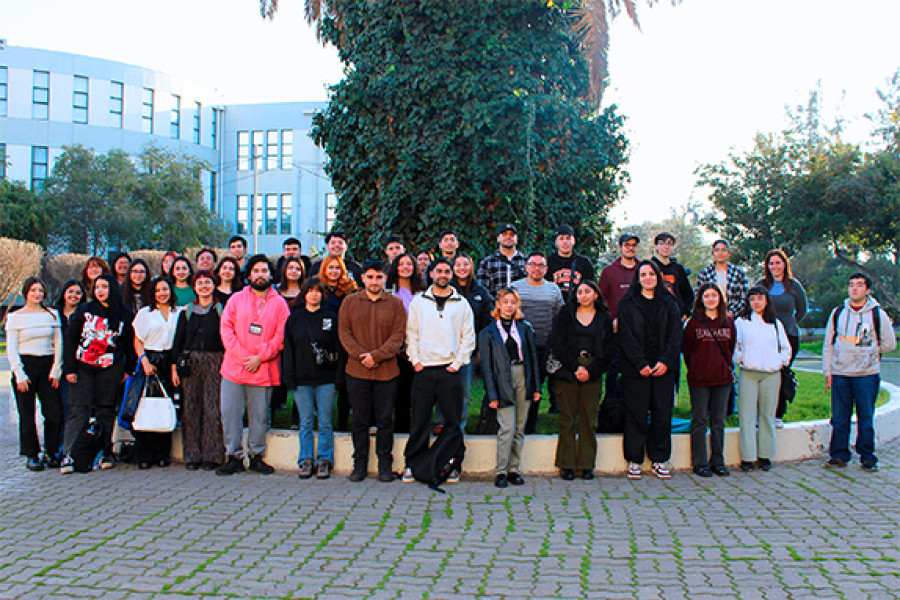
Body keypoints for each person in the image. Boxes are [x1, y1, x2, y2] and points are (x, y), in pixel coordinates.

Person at [402, 258, 476, 483]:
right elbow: (411, 334)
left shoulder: (461, 303)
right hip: (424, 369)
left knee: (453, 422)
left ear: (451, 275)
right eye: (439, 271)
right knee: (420, 422)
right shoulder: (419, 302)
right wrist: (415, 361)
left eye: (447, 271)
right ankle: (413, 465)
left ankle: (452, 464)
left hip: (449, 371)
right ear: (431, 274)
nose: (443, 274)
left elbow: (468, 337)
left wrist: (457, 364)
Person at [216, 255, 290, 476]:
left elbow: (281, 336)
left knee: (259, 417)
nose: (260, 275)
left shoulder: (280, 303)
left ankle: (256, 456)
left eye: (264, 271)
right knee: (230, 414)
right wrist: (244, 356)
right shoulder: (236, 299)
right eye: (256, 271)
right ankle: (234, 456)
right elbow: (226, 330)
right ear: (249, 275)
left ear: (270, 275)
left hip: (263, 369)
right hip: (234, 369)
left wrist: (260, 356)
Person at [338, 260, 407, 482]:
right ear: (363, 278)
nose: (374, 281)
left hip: (387, 372)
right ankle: (359, 464)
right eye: (370, 277)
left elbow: (398, 335)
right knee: (360, 420)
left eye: (378, 277)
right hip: (357, 371)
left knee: (385, 420)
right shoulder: (349, 302)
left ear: (385, 278)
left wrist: (376, 356)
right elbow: (344, 334)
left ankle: (385, 464)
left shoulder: (396, 304)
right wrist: (362, 356)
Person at [61, 274, 135, 473]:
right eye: (97, 287)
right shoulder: (84, 310)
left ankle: (105, 452)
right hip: (83, 367)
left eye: (104, 287)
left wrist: (128, 370)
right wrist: (69, 368)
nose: (100, 291)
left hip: (110, 368)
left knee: (105, 410)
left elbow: (129, 344)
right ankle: (69, 454)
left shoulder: (124, 314)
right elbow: (71, 339)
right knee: (78, 410)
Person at [823, 273, 896, 472]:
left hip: (866, 376)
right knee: (839, 418)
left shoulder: (877, 314)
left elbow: (889, 344)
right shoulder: (838, 313)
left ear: (867, 290)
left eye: (859, 285)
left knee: (865, 419)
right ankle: (839, 455)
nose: (854, 288)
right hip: (841, 374)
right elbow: (828, 344)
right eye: (851, 285)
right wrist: (828, 371)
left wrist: (870, 351)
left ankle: (867, 457)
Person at [617, 260, 682, 480]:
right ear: (638, 279)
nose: (648, 278)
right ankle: (634, 460)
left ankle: (660, 459)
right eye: (643, 275)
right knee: (636, 413)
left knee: (662, 414)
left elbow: (675, 335)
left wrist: (665, 361)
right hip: (636, 369)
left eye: (651, 274)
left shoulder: (669, 302)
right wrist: (640, 363)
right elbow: (625, 336)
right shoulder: (627, 303)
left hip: (664, 368)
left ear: (658, 277)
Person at [548, 280, 613, 480]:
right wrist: (575, 367)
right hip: (569, 369)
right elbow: (557, 344)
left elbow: (609, 350)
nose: (583, 295)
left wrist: (591, 371)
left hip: (593, 369)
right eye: (579, 292)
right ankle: (566, 464)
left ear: (596, 294)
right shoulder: (565, 315)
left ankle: (586, 464)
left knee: (589, 418)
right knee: (567, 418)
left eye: (587, 291)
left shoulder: (604, 318)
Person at [480, 288, 541, 488]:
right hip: (502, 379)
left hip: (522, 375)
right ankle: (501, 471)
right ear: (498, 304)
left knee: (520, 426)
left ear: (517, 305)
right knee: (507, 426)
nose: (509, 306)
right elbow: (487, 367)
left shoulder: (525, 328)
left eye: (512, 302)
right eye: (505, 302)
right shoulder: (488, 333)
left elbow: (533, 358)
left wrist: (536, 387)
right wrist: (492, 394)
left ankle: (514, 469)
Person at [282, 279, 341, 480]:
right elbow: (288, 350)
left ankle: (324, 460)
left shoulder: (330, 317)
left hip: (326, 379)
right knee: (306, 421)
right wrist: (289, 378)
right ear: (304, 294)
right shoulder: (294, 319)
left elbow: (338, 348)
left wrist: (338, 378)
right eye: (310, 291)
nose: (314, 294)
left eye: (318, 291)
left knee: (325, 421)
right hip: (301, 380)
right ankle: (306, 460)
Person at [5, 277, 64, 470]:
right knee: (27, 414)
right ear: (26, 293)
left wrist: (56, 369)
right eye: (33, 290)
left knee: (54, 412)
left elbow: (58, 343)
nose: (37, 294)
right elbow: (11, 348)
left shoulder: (52, 315)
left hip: (48, 365)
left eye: (40, 290)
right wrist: (19, 373)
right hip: (26, 365)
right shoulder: (15, 317)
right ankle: (32, 454)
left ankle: (51, 451)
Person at [171, 270, 226, 471]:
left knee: (213, 408)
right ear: (194, 287)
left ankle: (213, 454)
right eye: (200, 283)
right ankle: (192, 455)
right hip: (190, 362)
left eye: (207, 282)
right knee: (191, 407)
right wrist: (174, 367)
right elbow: (178, 340)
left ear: (214, 285)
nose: (204, 286)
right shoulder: (187, 311)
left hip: (215, 360)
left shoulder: (220, 309)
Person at [733, 286, 792, 472]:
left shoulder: (775, 323)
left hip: (771, 374)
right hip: (749, 373)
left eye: (760, 298)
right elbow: (735, 346)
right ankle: (748, 457)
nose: (756, 302)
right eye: (753, 299)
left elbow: (786, 348)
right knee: (747, 416)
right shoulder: (741, 322)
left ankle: (765, 455)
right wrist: (741, 359)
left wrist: (779, 362)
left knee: (767, 415)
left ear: (767, 301)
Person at [682, 283, 736, 478]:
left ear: (720, 299)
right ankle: (700, 462)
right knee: (699, 420)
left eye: (714, 295)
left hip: (722, 379)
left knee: (718, 421)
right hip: (699, 379)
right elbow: (687, 350)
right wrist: (696, 367)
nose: (711, 299)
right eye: (707, 296)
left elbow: (731, 348)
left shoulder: (728, 323)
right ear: (701, 300)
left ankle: (718, 461)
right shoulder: (693, 324)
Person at [511, 251, 564, 433]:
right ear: (526, 267)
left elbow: (558, 315)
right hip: (521, 346)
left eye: (541, 265)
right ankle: (516, 422)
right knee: (521, 385)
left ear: (546, 269)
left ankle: (530, 424)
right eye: (533, 264)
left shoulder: (553, 289)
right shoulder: (516, 287)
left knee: (536, 386)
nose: (536, 268)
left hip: (544, 346)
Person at [131, 276, 180, 469]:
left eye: (165, 289)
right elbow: (137, 340)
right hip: (150, 360)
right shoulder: (146, 313)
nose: (162, 293)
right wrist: (144, 361)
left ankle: (162, 453)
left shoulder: (178, 312)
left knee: (165, 406)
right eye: (158, 290)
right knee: (146, 407)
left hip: (170, 361)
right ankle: (144, 454)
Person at [757, 249, 808, 427]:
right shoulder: (761, 285)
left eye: (778, 262)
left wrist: (788, 322)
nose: (775, 266)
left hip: (788, 336)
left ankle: (778, 414)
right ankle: (762, 413)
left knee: (780, 375)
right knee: (764, 374)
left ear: (785, 264)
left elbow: (802, 310)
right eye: (771, 263)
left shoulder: (794, 286)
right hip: (765, 338)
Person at [447, 253, 494, 433]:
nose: (462, 268)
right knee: (444, 390)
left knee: (464, 391)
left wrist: (481, 349)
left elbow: (487, 322)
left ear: (471, 267)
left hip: (469, 351)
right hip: (446, 350)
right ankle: (441, 424)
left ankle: (460, 426)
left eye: (465, 264)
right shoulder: (446, 289)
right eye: (458, 265)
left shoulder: (480, 292)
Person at [315, 253, 359, 431]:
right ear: (324, 269)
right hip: (323, 338)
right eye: (330, 267)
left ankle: (342, 423)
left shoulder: (350, 288)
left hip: (345, 339)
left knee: (345, 384)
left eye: (337, 268)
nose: (334, 271)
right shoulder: (317, 287)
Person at [385, 252, 425, 433]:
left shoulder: (422, 293)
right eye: (401, 264)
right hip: (392, 347)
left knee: (413, 392)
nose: (405, 267)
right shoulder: (388, 291)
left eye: (409, 264)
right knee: (395, 391)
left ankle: (413, 429)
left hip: (415, 348)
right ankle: (395, 428)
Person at [54, 279, 87, 455]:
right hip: (55, 367)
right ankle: (56, 447)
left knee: (72, 409)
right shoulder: (54, 314)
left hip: (77, 367)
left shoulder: (85, 314)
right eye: (71, 292)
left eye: (78, 293)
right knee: (57, 410)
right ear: (64, 293)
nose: (74, 296)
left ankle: (69, 448)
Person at [695, 239, 749, 319]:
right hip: (710, 316)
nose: (720, 253)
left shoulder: (738, 272)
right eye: (717, 250)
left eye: (724, 250)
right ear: (713, 253)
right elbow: (698, 296)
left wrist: (732, 313)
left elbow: (744, 297)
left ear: (729, 253)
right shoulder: (705, 273)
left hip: (734, 316)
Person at [476, 223, 527, 297]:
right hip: (495, 303)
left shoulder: (526, 262)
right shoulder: (487, 262)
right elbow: (482, 290)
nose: (508, 237)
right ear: (498, 239)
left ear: (517, 239)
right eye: (504, 234)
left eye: (512, 235)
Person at [598, 233, 639, 324]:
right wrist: (611, 319)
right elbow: (601, 300)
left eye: (633, 245)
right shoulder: (609, 272)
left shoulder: (644, 271)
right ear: (620, 247)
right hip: (616, 325)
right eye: (627, 245)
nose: (631, 248)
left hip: (641, 324)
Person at [546, 225, 595, 302]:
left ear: (574, 241)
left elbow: (590, 289)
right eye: (561, 239)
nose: (565, 242)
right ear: (556, 242)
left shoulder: (584, 263)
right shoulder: (548, 262)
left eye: (568, 238)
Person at [651, 232, 693, 320]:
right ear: (656, 246)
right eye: (662, 243)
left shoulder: (678, 269)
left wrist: (686, 312)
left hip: (676, 316)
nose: (666, 247)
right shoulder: (649, 267)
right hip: (655, 317)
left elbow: (687, 293)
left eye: (669, 244)